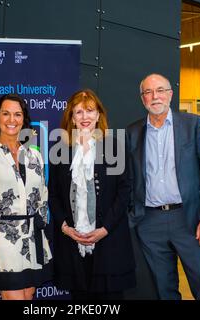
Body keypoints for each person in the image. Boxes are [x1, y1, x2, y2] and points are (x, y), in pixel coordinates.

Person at [126, 73, 200, 300]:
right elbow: (129, 180)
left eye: (160, 90)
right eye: (148, 92)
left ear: (170, 94)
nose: (154, 96)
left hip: (189, 221)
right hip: (149, 223)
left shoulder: (193, 124)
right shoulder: (132, 132)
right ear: (142, 99)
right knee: (163, 291)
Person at [49, 89, 136, 300]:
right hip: (72, 243)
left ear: (98, 115)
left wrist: (104, 229)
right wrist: (65, 228)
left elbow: (125, 192)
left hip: (109, 243)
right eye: (78, 112)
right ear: (71, 117)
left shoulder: (115, 147)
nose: (84, 117)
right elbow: (53, 195)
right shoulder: (60, 150)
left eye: (89, 111)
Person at [0, 93, 52, 300]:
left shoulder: (34, 155)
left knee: (27, 296)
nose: (11, 120)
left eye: (17, 114)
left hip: (33, 240)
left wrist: (41, 223)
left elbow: (42, 196)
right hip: (2, 241)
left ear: (24, 120)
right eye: (6, 114)